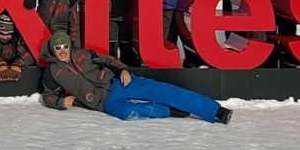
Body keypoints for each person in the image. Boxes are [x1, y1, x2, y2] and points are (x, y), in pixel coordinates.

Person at [40, 31, 232, 123]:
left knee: (161, 91)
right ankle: (170, 111)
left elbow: (109, 60)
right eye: (58, 48)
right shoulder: (52, 71)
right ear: (52, 50)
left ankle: (216, 111)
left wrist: (123, 70)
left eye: (65, 46)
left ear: (70, 46)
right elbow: (47, 95)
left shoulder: (83, 54)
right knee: (127, 113)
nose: (62, 51)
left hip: (117, 83)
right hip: (103, 102)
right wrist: (59, 102)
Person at [0, 12, 34, 82]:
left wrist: (19, 63)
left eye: (9, 34)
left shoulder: (18, 38)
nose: (5, 37)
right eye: (1, 33)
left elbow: (30, 53)